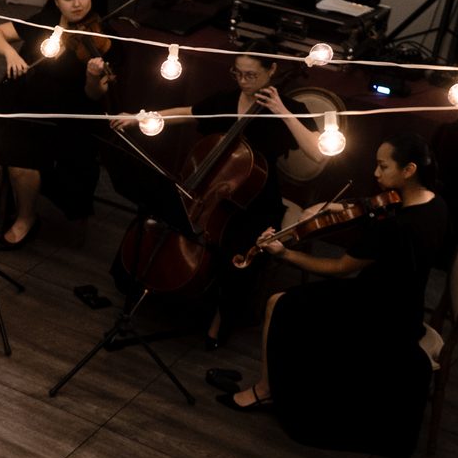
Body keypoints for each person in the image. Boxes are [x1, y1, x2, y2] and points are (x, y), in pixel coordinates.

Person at [212, 133, 449, 458]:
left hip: (376, 311)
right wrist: (341, 207)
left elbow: (338, 267)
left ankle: (266, 391)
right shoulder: (435, 204)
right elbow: (372, 210)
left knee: (278, 303)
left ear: (408, 170)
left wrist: (284, 254)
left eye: (383, 167)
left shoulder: (396, 229)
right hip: (405, 304)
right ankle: (287, 380)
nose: (376, 174)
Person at [111, 41, 323, 347]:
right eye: (238, 73)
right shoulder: (226, 100)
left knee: (241, 249)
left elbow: (316, 152)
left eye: (251, 75)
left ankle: (220, 319)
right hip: (210, 191)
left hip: (256, 199)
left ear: (272, 70)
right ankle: (147, 289)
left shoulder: (291, 108)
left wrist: (281, 110)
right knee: (157, 215)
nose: (243, 81)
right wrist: (140, 116)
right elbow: (188, 113)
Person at [0, 0, 116, 248]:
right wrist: (11, 52)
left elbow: (94, 96)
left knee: (21, 161)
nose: (77, 4)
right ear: (57, 0)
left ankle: (26, 219)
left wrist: (92, 76)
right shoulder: (46, 20)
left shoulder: (105, 36)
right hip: (23, 97)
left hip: (63, 114)